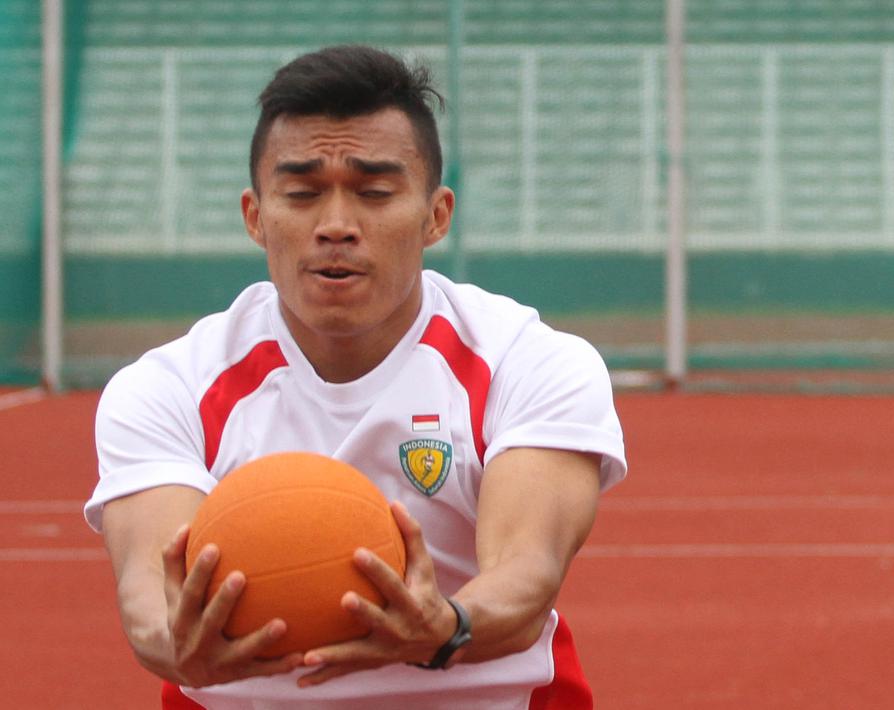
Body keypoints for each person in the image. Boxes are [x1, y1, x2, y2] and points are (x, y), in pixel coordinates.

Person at [84, 45, 626, 710]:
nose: (336, 226)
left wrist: (447, 627)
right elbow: (148, 595)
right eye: (302, 194)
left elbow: (527, 570)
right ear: (255, 216)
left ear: (436, 216)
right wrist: (177, 642)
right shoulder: (167, 389)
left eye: (374, 193)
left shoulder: (529, 362)